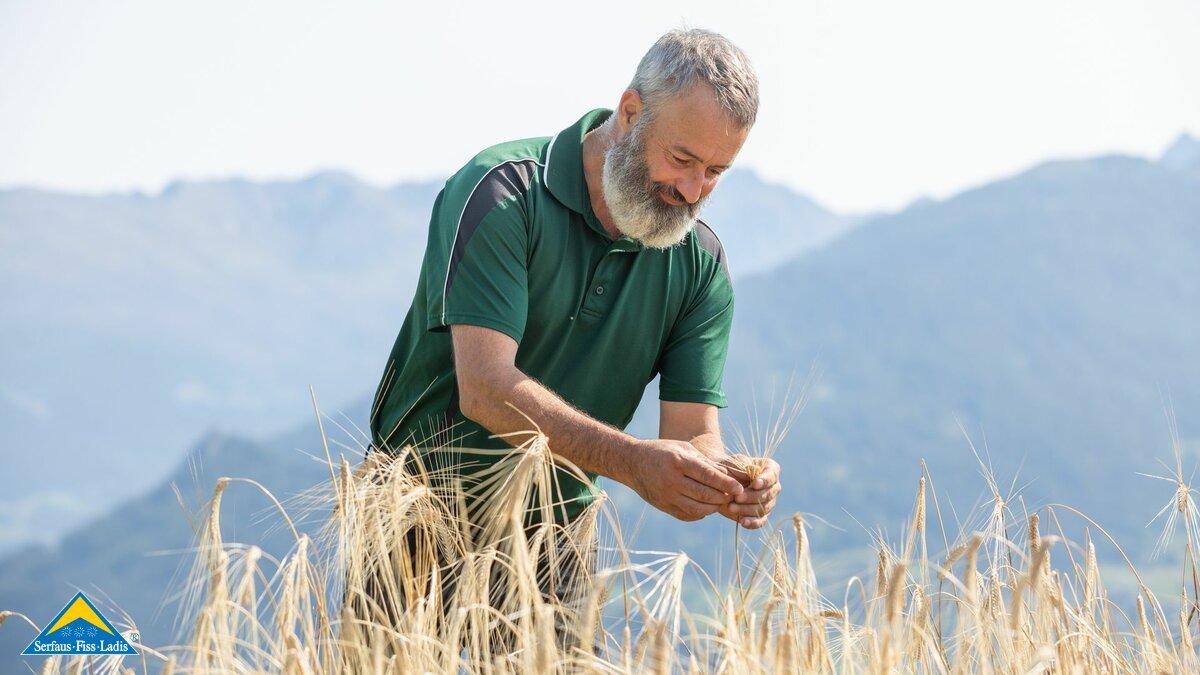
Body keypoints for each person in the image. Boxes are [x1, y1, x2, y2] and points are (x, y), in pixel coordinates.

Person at [369, 28, 781, 538]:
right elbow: (484, 388)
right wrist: (631, 462)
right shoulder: (501, 193)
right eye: (681, 160)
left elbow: (692, 431)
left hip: (557, 542)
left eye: (716, 170)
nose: (693, 189)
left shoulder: (703, 266)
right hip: (416, 522)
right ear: (630, 113)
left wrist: (723, 477)